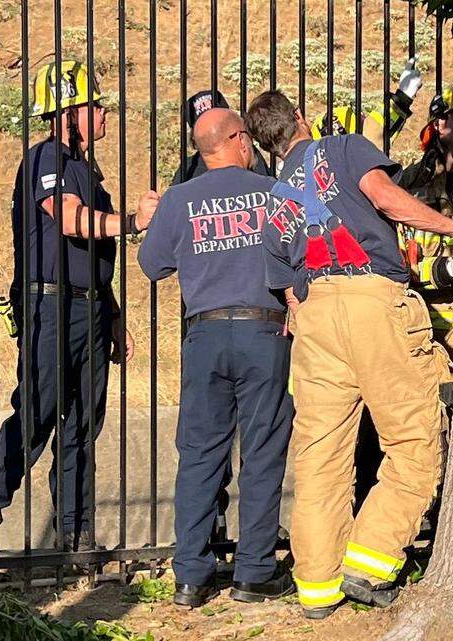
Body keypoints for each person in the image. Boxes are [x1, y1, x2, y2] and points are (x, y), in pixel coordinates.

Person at [248, 89, 453, 619]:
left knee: (320, 455)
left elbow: (286, 286)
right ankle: (370, 561)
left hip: (314, 315)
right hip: (371, 299)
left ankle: (317, 588)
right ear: (300, 116)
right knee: (414, 440)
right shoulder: (342, 148)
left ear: (263, 144)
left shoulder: (277, 196)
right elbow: (386, 197)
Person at [0, 60, 146, 551]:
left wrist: (112, 315)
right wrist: (133, 220)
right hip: (49, 309)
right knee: (38, 416)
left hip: (88, 309)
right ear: (68, 111)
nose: (104, 112)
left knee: (83, 425)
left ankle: (75, 537)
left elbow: (91, 256)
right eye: (95, 104)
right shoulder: (45, 158)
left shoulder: (86, 170)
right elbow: (70, 220)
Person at [138, 108, 294, 607]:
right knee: (263, 450)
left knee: (201, 453)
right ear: (241, 140)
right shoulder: (272, 192)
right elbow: (301, 253)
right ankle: (254, 571)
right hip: (263, 332)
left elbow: (152, 264)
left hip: (204, 336)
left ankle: (190, 575)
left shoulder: (181, 199)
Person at [397, 79, 453, 362]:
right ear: (440, 124)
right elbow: (403, 260)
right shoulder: (411, 182)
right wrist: (446, 269)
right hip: (423, 322)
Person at [309, 57, 423, 145]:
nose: (365, 116)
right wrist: (402, 98)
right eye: (363, 120)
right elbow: (372, 138)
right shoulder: (362, 167)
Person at [171, 89, 271, 185]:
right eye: (206, 126)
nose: (214, 130)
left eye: (221, 124)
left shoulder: (251, 155)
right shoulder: (189, 167)